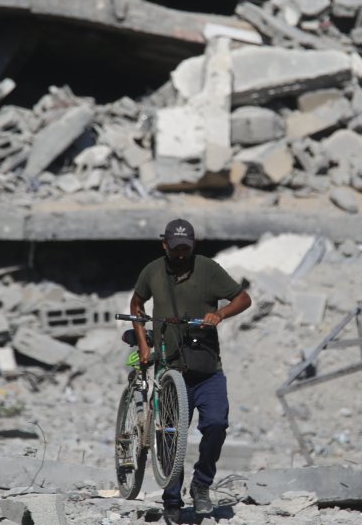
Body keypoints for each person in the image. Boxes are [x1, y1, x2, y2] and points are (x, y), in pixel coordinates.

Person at [129, 218, 252, 522]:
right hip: (170, 370)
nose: (181, 254)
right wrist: (144, 345)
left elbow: (243, 298)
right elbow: (136, 304)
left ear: (193, 245)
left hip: (207, 368)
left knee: (216, 425)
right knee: (170, 435)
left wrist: (220, 313)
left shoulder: (208, 269)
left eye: (186, 248)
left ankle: (201, 485)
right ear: (165, 245)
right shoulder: (153, 270)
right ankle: (172, 499)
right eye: (176, 248)